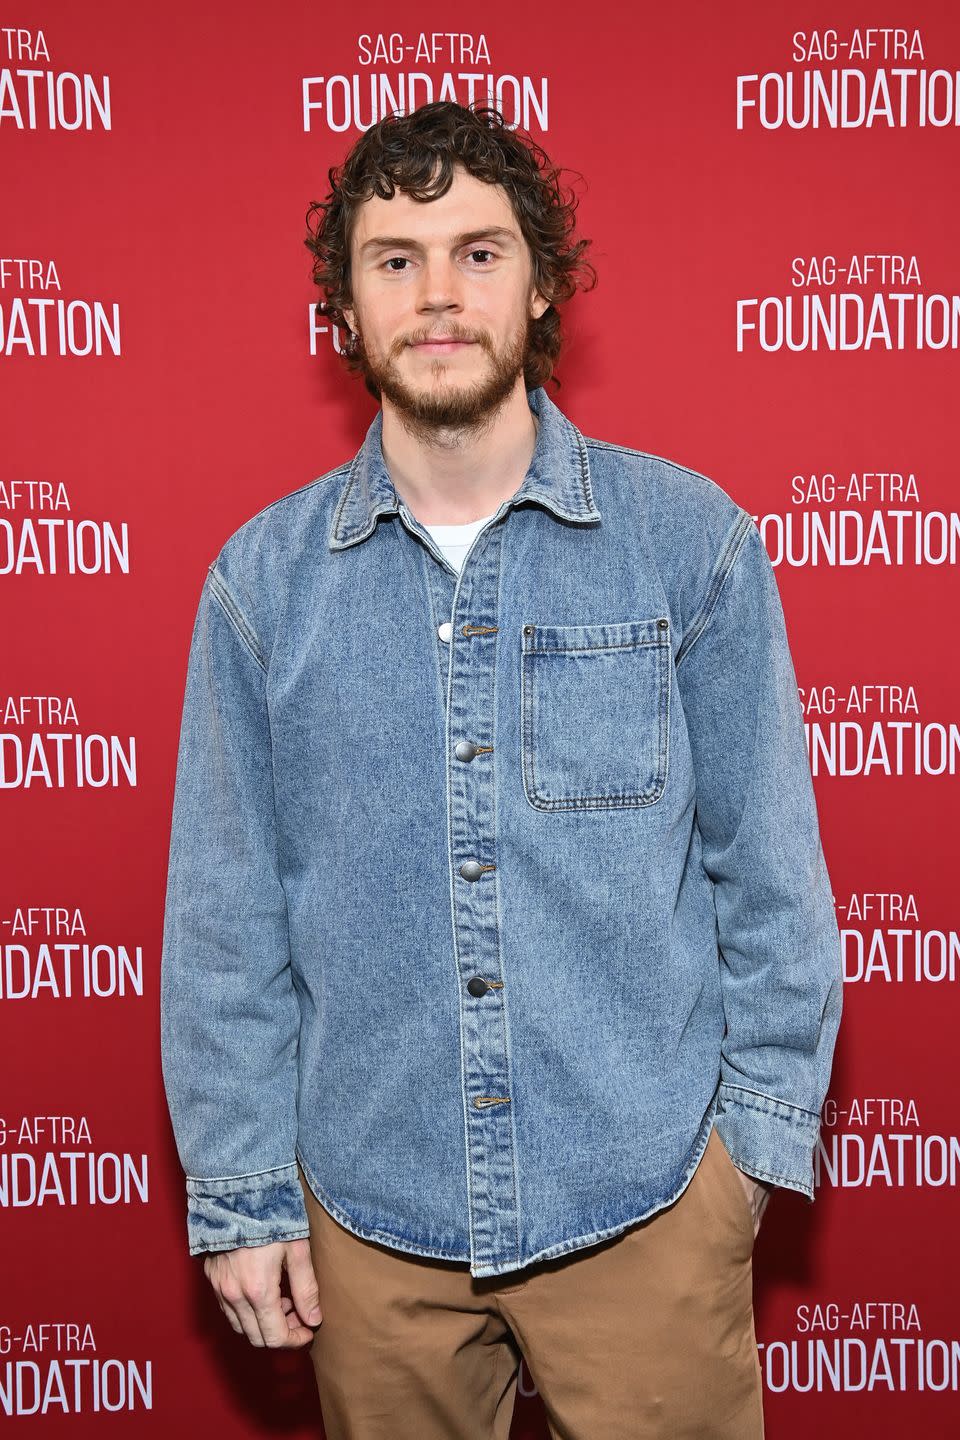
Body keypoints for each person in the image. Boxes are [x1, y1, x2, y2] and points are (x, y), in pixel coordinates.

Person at [160, 100, 843, 1440]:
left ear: (542, 291)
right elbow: (225, 930)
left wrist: (746, 1164)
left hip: (644, 1207)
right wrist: (243, 1197)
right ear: (344, 311)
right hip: (374, 1229)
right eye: (394, 257)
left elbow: (770, 877)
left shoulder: (687, 543)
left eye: (479, 253)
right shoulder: (260, 588)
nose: (438, 295)